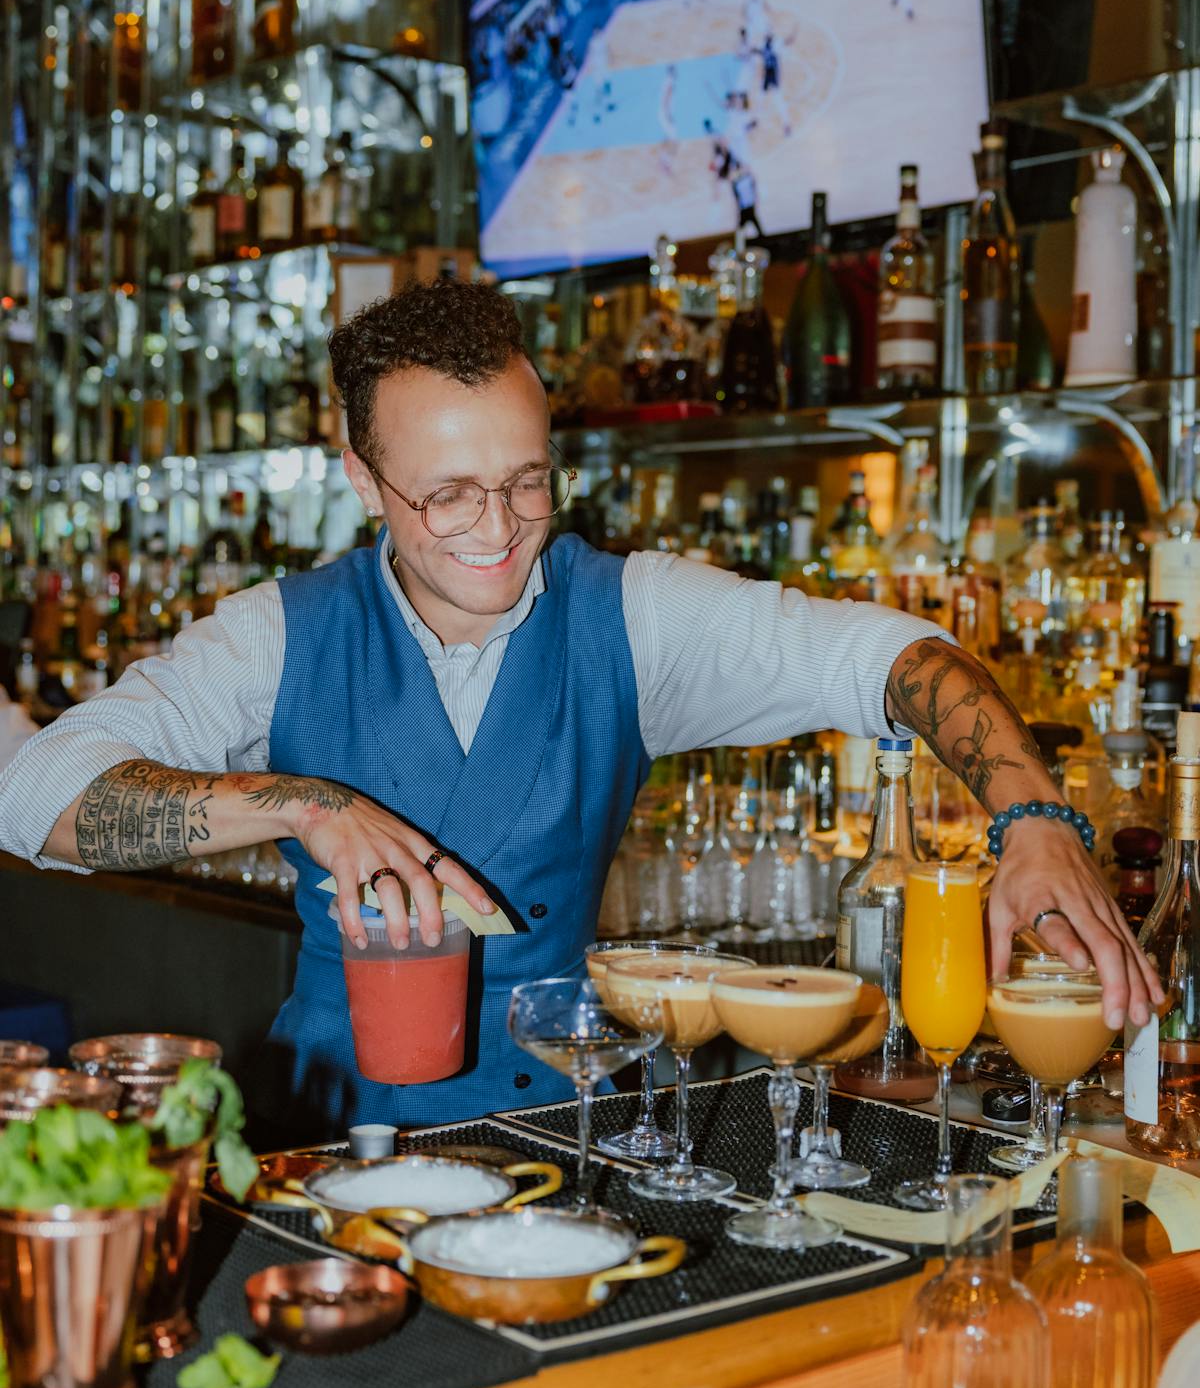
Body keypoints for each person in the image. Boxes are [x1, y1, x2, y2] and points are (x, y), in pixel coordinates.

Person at [0, 283, 1159, 1133]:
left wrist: (1033, 819)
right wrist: (305, 804)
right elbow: (35, 796)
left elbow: (895, 659)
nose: (500, 530)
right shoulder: (278, 635)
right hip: (329, 1144)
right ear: (362, 480)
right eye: (449, 496)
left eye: (526, 481)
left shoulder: (632, 615)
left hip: (559, 1134)